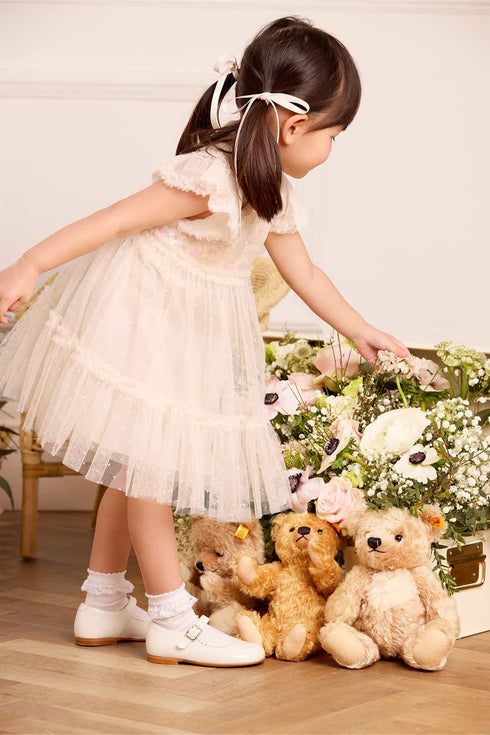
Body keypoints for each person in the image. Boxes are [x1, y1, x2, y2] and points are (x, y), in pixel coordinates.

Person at [0, 16, 409, 667]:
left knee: (133, 468)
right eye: (334, 135)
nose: (332, 147)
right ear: (294, 126)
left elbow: (304, 273)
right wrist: (28, 264)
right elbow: (112, 222)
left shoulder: (271, 188)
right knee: (151, 473)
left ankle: (103, 603)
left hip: (182, 333)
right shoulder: (211, 174)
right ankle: (170, 617)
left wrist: (361, 328)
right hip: (140, 323)